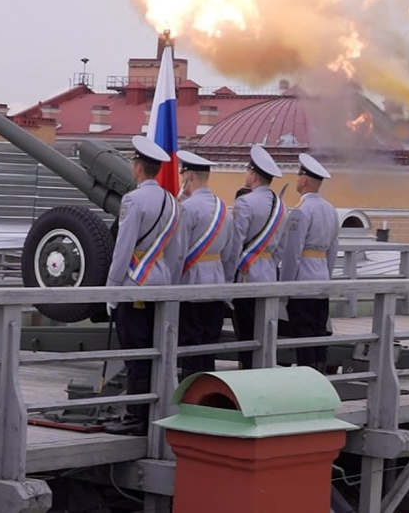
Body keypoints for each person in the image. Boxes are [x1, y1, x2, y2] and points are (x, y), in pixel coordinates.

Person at [102, 135, 184, 436]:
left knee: (136, 353)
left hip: (135, 282)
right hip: (160, 280)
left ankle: (136, 417)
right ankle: (152, 411)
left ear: (138, 167)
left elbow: (123, 248)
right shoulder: (172, 202)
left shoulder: (133, 200)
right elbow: (176, 250)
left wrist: (112, 289)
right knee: (155, 350)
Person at [223, 145, 286, 369]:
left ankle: (247, 373)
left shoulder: (245, 202)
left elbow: (235, 245)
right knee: (264, 334)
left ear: (253, 174)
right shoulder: (281, 206)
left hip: (246, 277)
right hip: (268, 276)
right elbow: (280, 248)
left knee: (246, 335)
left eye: (247, 170)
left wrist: (228, 279)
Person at [276, 153, 339, 371]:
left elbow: (292, 253)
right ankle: (319, 374)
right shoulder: (330, 209)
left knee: (303, 334)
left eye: (298, 176)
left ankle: (308, 374)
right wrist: (326, 278)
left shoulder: (301, 211)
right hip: (322, 280)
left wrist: (285, 287)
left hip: (302, 281)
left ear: (304, 180)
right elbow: (333, 251)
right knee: (319, 332)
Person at [176, 149, 235, 376]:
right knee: (210, 345)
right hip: (216, 284)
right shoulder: (224, 209)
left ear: (189, 176)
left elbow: (178, 252)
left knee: (190, 346)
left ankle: (191, 389)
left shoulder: (187, 208)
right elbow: (229, 253)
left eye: (183, 176)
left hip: (190, 285)